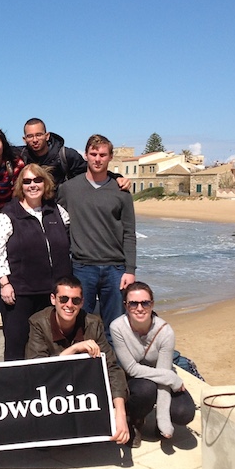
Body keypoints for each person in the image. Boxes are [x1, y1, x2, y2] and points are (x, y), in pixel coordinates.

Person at [25, 275, 130, 445]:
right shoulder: (38, 322)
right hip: (52, 388)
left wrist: (120, 413)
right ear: (53, 299)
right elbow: (37, 370)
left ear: (82, 303)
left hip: (82, 388)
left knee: (140, 392)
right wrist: (74, 349)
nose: (69, 305)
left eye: (75, 300)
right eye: (63, 299)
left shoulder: (93, 324)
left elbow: (111, 367)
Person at [57, 134, 137, 343]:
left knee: (116, 328)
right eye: (93, 154)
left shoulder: (122, 191)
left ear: (110, 157)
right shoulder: (68, 189)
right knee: (79, 325)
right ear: (86, 155)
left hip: (115, 269)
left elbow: (129, 232)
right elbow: (57, 224)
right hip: (82, 267)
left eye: (102, 155)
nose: (97, 159)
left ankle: (114, 372)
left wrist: (130, 270)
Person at [0, 164, 72, 360]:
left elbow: (68, 240)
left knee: (52, 343)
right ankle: (16, 388)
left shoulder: (57, 211)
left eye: (37, 180)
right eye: (27, 181)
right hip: (20, 293)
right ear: (21, 185)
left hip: (52, 292)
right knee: (17, 344)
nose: (32, 185)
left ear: (45, 183)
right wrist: (4, 283)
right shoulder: (8, 214)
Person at [110, 281, 195, 447]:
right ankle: (134, 421)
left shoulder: (165, 332)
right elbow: (131, 369)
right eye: (133, 303)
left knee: (184, 413)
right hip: (134, 379)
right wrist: (171, 377)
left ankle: (158, 424)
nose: (140, 308)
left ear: (152, 304)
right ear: (126, 306)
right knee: (145, 390)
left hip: (161, 375)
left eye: (145, 303)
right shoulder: (117, 327)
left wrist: (163, 419)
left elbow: (163, 377)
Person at [19, 118, 131, 191]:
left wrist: (116, 177)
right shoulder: (20, 155)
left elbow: (92, 170)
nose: (35, 140)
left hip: (60, 212)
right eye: (30, 136)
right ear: (24, 139)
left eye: (39, 135)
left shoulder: (66, 155)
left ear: (47, 135)